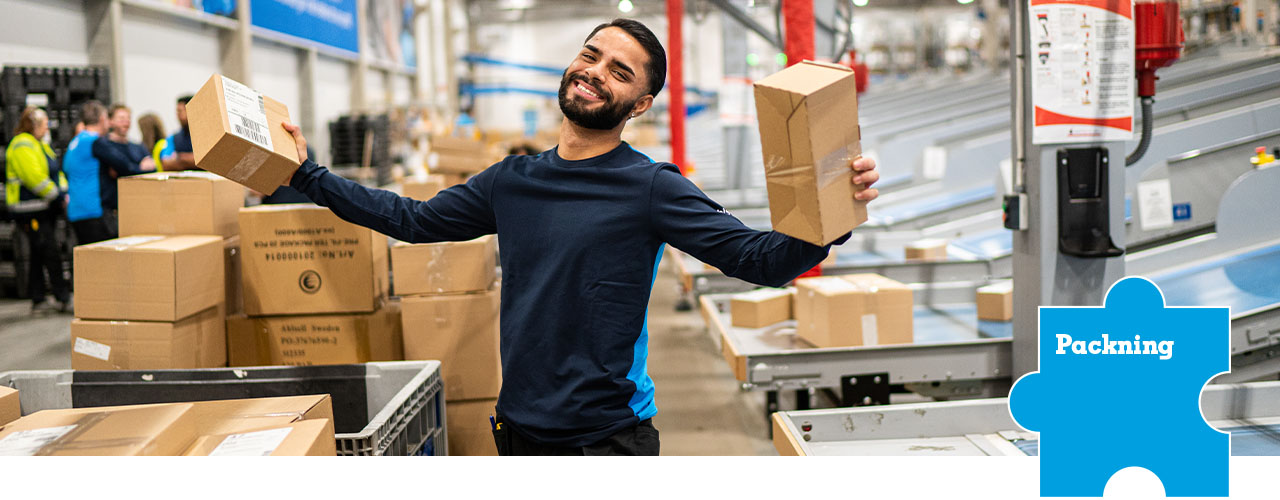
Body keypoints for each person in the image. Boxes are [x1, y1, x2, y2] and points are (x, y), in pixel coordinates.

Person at [280, 18, 880, 456]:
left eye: (618, 73)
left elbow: (759, 259)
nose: (594, 73)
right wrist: (308, 175)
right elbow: (410, 220)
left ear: (640, 104)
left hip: (607, 438)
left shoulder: (651, 187)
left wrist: (833, 211)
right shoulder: (511, 181)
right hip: (518, 428)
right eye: (590, 56)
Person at [4, 107, 71, 313]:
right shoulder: (22, 145)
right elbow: (34, 179)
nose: (47, 127)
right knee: (49, 250)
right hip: (30, 210)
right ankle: (62, 297)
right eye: (43, 124)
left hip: (44, 208)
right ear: (32, 125)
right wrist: (58, 196)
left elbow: (54, 171)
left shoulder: (40, 144)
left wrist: (63, 190)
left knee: (37, 252)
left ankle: (38, 298)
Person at [91, 104, 155, 229]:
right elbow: (125, 167)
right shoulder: (103, 144)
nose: (126, 122)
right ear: (110, 121)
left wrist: (127, 170)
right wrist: (139, 168)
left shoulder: (137, 147)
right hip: (112, 209)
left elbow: (152, 169)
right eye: (121, 118)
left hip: (137, 206)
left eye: (128, 118)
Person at [62, 101, 114, 245]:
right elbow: (121, 163)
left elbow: (66, 170)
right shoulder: (94, 141)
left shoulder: (74, 143)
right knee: (103, 260)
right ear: (102, 118)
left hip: (76, 210)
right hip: (92, 209)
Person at [159, 95, 197, 171]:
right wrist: (190, 160)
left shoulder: (204, 135)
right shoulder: (173, 138)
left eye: (180, 111)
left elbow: (210, 160)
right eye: (177, 112)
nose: (177, 115)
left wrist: (179, 158)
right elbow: (165, 163)